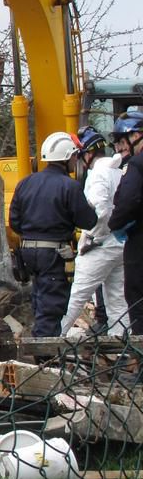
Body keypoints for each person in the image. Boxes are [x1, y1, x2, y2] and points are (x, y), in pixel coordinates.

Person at [9, 131, 97, 337]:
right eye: (75, 156)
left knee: (39, 299)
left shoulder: (26, 183)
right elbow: (88, 221)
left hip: (28, 252)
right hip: (54, 254)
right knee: (52, 305)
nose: (77, 160)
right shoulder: (69, 186)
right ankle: (46, 358)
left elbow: (14, 221)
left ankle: (41, 346)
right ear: (68, 157)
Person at [58, 126, 126, 338]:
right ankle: (122, 350)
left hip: (100, 246)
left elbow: (101, 210)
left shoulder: (98, 174)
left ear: (88, 154)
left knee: (75, 299)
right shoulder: (116, 170)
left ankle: (51, 343)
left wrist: (94, 237)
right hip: (120, 244)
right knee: (118, 303)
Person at [108, 110, 143, 337]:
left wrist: (115, 224)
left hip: (140, 244)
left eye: (122, 142)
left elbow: (128, 201)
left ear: (136, 135)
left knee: (138, 300)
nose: (120, 149)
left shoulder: (137, 165)